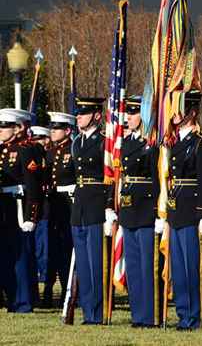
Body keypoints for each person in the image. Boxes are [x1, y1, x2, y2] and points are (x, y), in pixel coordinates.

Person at [161, 91, 202, 331]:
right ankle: (183, 312)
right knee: (179, 267)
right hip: (176, 210)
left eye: (181, 108)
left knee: (193, 266)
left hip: (193, 210)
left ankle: (195, 315)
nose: (175, 113)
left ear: (192, 112)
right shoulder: (175, 142)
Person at [117, 96, 160, 327]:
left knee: (146, 265)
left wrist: (157, 210)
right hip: (129, 208)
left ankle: (149, 315)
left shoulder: (150, 143)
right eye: (128, 114)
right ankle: (137, 314)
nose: (128, 118)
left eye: (133, 114)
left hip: (145, 208)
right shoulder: (126, 142)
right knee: (133, 265)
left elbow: (155, 177)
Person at [71, 97, 113, 325]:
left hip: (97, 206)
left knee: (96, 263)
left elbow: (111, 175)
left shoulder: (104, 142)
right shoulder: (77, 142)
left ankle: (97, 312)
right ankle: (87, 311)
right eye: (78, 113)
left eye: (83, 113)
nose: (78, 116)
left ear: (97, 115)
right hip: (79, 208)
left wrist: (109, 205)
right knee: (84, 266)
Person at [0, 108, 43, 313]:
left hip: (18, 206)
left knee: (21, 257)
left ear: (17, 128)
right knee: (6, 256)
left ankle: (24, 301)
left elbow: (33, 186)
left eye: (4, 126)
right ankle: (11, 299)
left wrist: (31, 216)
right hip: (4, 207)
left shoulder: (25, 150)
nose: (0, 130)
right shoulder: (2, 149)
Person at [42, 112, 76, 307]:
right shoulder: (50, 152)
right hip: (54, 204)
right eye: (52, 128)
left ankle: (67, 289)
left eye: (57, 128)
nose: (52, 132)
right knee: (53, 248)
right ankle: (48, 289)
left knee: (67, 248)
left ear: (67, 130)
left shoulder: (73, 149)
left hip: (69, 204)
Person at [30, 125, 51, 303]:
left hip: (46, 209)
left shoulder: (48, 156)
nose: (38, 143)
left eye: (40, 139)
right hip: (36, 209)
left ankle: (45, 280)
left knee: (43, 249)